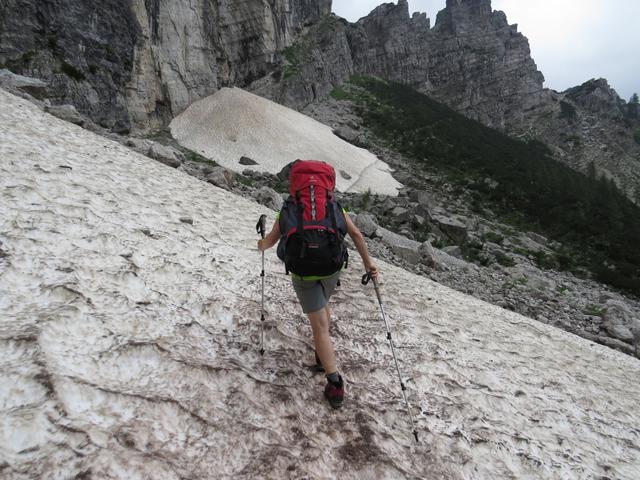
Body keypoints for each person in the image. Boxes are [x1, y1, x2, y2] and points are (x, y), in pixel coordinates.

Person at [257, 211, 379, 409]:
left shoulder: (290, 206)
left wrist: (260, 244)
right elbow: (356, 234)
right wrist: (369, 264)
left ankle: (335, 382)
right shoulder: (333, 205)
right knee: (322, 306)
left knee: (319, 327)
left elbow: (270, 241)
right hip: (331, 268)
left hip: (303, 273)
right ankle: (322, 354)